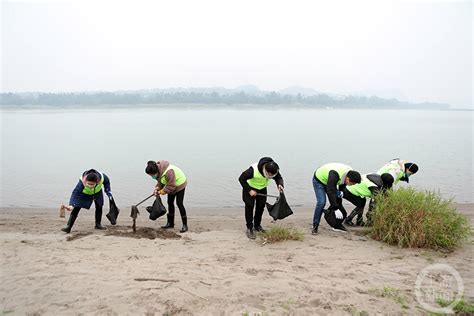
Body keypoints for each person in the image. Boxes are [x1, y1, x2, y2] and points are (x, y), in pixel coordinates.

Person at [238, 157, 284, 239]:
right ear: (265, 170)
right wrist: (250, 190)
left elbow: (278, 178)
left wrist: (280, 184)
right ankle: (249, 228)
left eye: (272, 175)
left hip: (262, 189)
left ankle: (257, 226)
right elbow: (241, 179)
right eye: (270, 175)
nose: (271, 176)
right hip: (249, 188)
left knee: (260, 207)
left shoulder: (273, 169)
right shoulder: (252, 171)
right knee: (250, 206)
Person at [312, 163, 361, 235]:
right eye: (352, 183)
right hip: (319, 180)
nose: (351, 185)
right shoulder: (335, 175)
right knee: (321, 202)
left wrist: (340, 196)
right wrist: (335, 208)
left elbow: (341, 187)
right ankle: (315, 226)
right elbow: (330, 191)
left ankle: (336, 225)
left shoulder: (350, 173)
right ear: (348, 179)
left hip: (330, 181)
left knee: (338, 199)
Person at [61, 169, 113, 233]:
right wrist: (71, 205)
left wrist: (108, 191)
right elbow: (75, 193)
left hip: (97, 192)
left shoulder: (102, 177)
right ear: (86, 181)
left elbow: (106, 182)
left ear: (97, 182)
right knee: (76, 208)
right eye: (88, 184)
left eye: (92, 184)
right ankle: (68, 227)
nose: (90, 186)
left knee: (99, 206)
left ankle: (98, 224)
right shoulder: (81, 182)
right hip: (85, 193)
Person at [145, 160, 188, 233]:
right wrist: (157, 189)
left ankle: (185, 225)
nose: (152, 177)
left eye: (152, 175)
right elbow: (161, 181)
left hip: (180, 184)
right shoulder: (158, 171)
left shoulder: (169, 172)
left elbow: (171, 186)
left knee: (179, 203)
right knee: (170, 203)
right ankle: (170, 223)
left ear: (156, 171)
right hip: (171, 185)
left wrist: (161, 192)